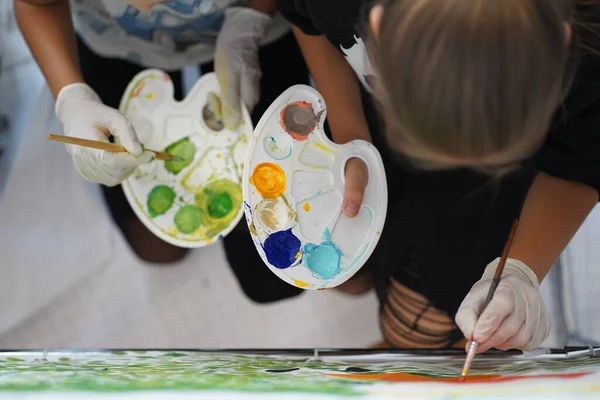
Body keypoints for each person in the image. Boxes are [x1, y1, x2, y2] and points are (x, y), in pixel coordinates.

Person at [276, 0, 600, 350]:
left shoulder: (590, 45)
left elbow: (579, 161)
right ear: (375, 25)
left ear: (562, 44)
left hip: (502, 187)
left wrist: (520, 272)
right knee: (344, 272)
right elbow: (310, 19)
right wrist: (352, 138)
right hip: (367, 119)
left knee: (417, 327)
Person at [15, 0, 309, 303]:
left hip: (255, 21)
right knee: (157, 248)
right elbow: (33, 5)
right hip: (118, 41)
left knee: (274, 274)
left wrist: (252, 20)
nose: (144, 8)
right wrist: (72, 97)